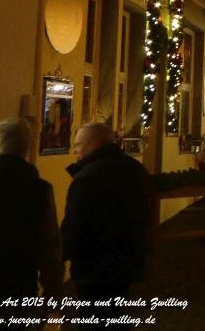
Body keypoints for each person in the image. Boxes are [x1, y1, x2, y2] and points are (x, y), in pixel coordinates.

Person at [62, 122, 151, 301]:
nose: (75, 151)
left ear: (93, 144)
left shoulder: (87, 177)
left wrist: (62, 255)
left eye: (78, 145)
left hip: (93, 265)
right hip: (126, 260)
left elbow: (75, 225)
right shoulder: (136, 169)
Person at [0, 118, 63, 304]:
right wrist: (53, 299)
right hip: (17, 292)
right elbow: (50, 250)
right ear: (26, 150)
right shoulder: (40, 190)